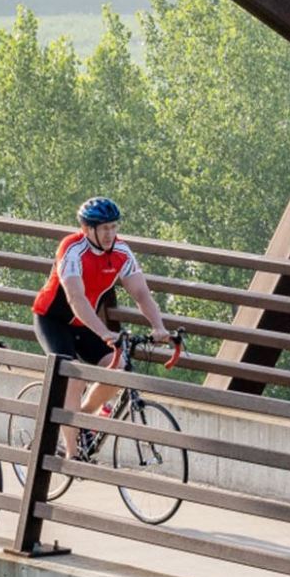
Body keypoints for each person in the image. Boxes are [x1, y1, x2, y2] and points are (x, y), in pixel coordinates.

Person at [31, 196, 173, 458]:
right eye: (104, 228)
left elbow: (141, 293)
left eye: (114, 227)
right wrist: (104, 332)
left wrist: (159, 326)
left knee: (118, 368)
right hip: (53, 320)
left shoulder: (121, 252)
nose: (110, 234)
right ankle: (72, 455)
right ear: (87, 229)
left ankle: (82, 418)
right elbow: (76, 297)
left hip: (84, 322)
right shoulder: (72, 249)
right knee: (72, 376)